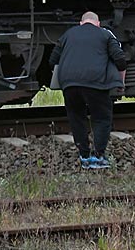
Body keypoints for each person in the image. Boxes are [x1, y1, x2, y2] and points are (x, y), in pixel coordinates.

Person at [49, 11, 126, 169]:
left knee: (76, 117)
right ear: (98, 24)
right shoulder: (104, 34)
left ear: (80, 23)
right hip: (96, 82)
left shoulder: (68, 34)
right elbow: (120, 59)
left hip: (69, 84)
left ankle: (84, 156)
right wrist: (119, 80)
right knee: (101, 118)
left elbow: (52, 60)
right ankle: (98, 157)